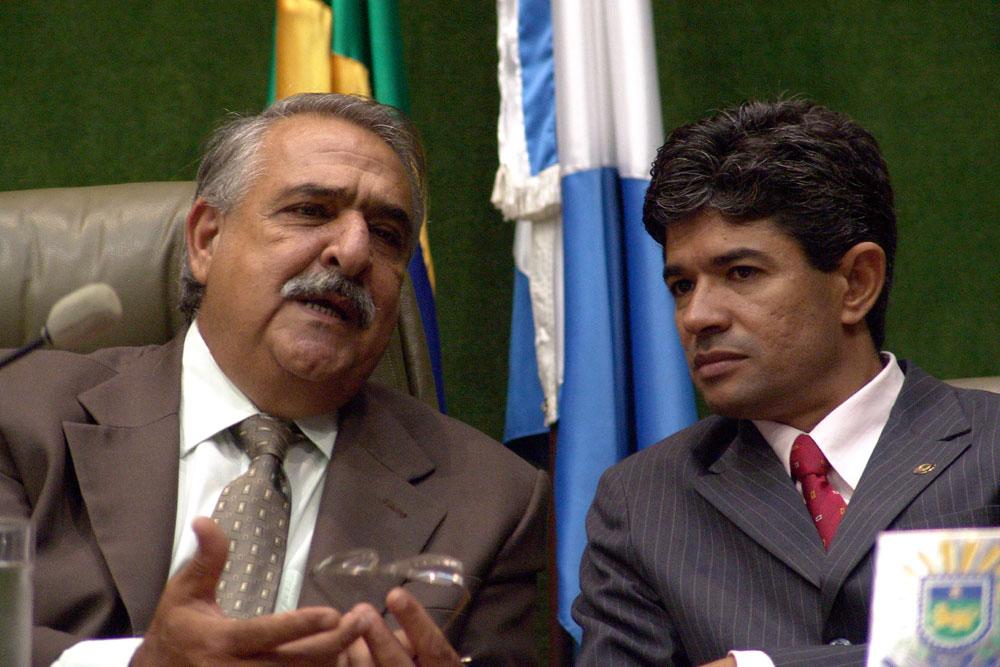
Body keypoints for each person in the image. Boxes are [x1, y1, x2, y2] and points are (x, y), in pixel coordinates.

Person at [0, 93, 547, 666]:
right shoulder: (18, 412)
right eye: (310, 211)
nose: (353, 252)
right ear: (206, 239)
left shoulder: (489, 501)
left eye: (386, 234)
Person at [572, 99, 1000, 666]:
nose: (697, 316)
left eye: (741, 273)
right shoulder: (642, 503)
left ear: (856, 283)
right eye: (681, 285)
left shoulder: (990, 448)